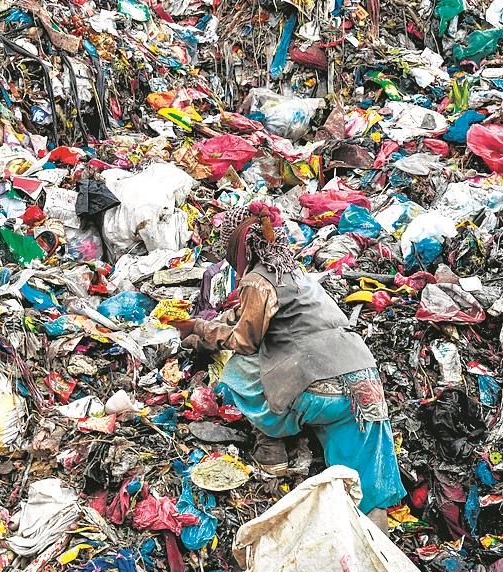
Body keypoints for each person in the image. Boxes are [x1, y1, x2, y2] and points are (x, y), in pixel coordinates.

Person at [170, 202, 406, 523]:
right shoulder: (296, 272)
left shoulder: (255, 280)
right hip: (364, 384)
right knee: (366, 492)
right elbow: (243, 316)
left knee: (240, 367)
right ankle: (381, 559)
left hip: (318, 389)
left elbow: (245, 339)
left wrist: (196, 328)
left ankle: (272, 442)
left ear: (240, 247)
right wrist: (202, 329)